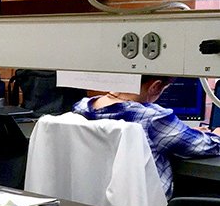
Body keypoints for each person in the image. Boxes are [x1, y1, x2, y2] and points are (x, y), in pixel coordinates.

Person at [72, 75, 220, 198]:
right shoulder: (151, 117)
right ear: (155, 86)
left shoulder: (82, 107)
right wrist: (215, 135)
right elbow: (201, 146)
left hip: (95, 199)